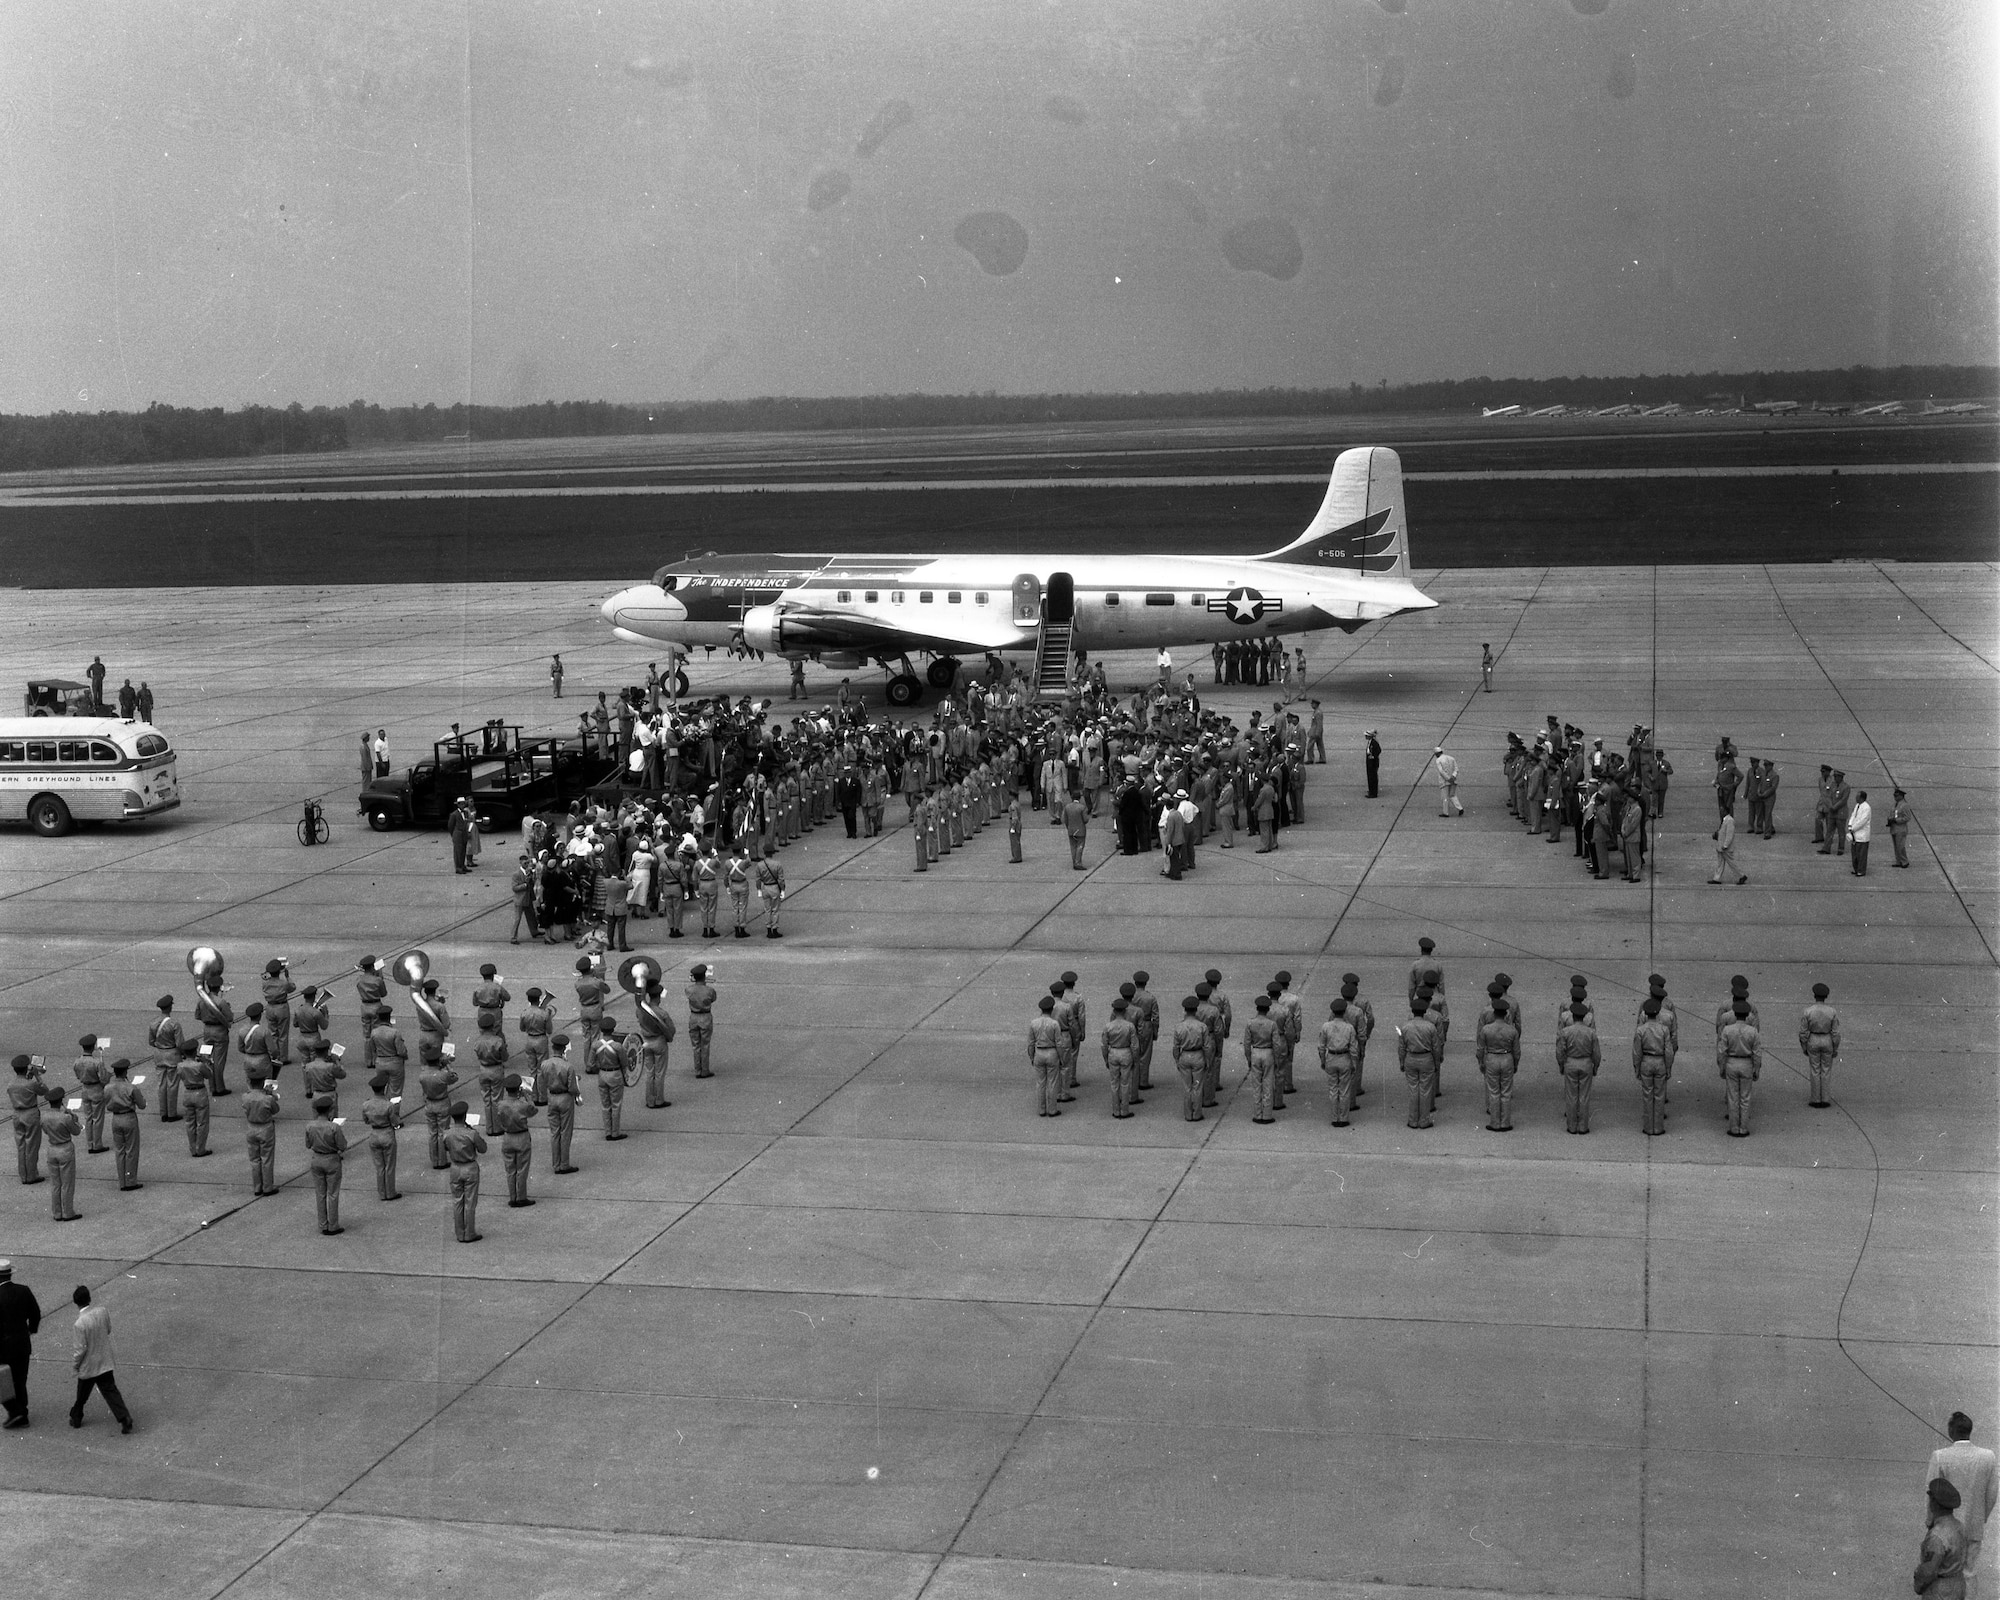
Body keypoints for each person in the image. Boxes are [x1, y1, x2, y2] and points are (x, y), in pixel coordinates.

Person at [1929, 1413, 1998, 1595]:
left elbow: (1931, 1493)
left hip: (1945, 1529)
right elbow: (1992, 1495)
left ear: (1951, 1431)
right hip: (1974, 1526)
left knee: (1942, 1574)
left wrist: (1930, 1522)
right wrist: (1980, 1518)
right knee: (1969, 1572)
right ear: (1969, 1430)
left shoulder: (1939, 1456)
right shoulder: (1988, 1457)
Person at [67, 1286, 132, 1433]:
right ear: (89, 1298)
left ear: (76, 1303)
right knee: (110, 1391)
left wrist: (75, 1365)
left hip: (89, 1366)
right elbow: (108, 1330)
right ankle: (124, 1417)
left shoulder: (79, 1324)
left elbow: (80, 1350)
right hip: (104, 1361)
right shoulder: (102, 1312)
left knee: (82, 1395)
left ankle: (76, 1417)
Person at [0, 1260, 39, 1428]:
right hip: (23, 1343)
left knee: (3, 1380)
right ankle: (22, 1412)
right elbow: (35, 1313)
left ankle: (16, 1411)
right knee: (20, 1379)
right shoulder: (24, 1291)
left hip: (3, 1346)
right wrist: (31, 1330)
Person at [304, 1094, 349, 1236]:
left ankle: (322, 1224)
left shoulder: (309, 1126)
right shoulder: (334, 1127)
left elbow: (308, 1144)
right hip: (331, 1160)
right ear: (330, 1110)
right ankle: (333, 1224)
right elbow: (343, 1146)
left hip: (316, 1158)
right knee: (333, 1193)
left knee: (320, 1192)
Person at [1917, 1478, 1969, 1600]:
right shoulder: (1959, 1526)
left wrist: (1918, 1585)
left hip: (1940, 1591)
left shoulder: (1937, 1535)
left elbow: (1929, 1570)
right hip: (1958, 1584)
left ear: (1934, 1503)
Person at [444, 1102, 488, 1243]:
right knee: (470, 1202)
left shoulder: (447, 1134)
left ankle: (459, 1233)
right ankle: (469, 1233)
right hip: (470, 1168)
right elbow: (483, 1148)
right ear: (465, 1116)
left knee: (457, 1201)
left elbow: (445, 1147)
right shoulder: (471, 1134)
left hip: (455, 1168)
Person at [1718, 1000, 1762, 1137]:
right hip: (1747, 1064)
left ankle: (1734, 1127)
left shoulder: (1727, 1030)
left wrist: (1722, 1067)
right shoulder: (1753, 1031)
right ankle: (1743, 1127)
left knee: (1733, 1097)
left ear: (1735, 1014)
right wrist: (1756, 1069)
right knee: (1745, 1097)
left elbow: (1722, 1051)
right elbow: (1757, 1053)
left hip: (1731, 1062)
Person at [1557, 1001, 1601, 1134]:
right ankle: (1583, 1126)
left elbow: (1560, 1051)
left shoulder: (1565, 1031)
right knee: (1584, 1096)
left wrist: (1561, 1065)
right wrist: (1595, 1067)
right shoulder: (1591, 1032)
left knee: (1571, 1095)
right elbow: (1596, 1053)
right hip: (1586, 1063)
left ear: (1573, 1016)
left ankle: (1571, 1126)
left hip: (1570, 1062)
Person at [1632, 998, 1675, 1136]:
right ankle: (1658, 1127)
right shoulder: (1664, 1030)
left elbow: (1637, 1052)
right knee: (1659, 1095)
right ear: (1657, 1013)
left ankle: (1648, 1127)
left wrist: (1637, 1068)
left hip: (1646, 1061)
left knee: (1647, 1094)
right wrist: (1668, 1068)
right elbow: (1668, 1051)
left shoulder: (1640, 1030)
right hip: (1660, 1061)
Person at [544, 1035, 582, 1173]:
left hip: (552, 1097)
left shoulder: (545, 1064)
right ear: (564, 1049)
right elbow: (572, 1087)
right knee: (565, 1132)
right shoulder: (568, 1066)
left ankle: (556, 1164)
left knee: (555, 1132)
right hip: (565, 1098)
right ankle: (564, 1164)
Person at [1319, 997, 1359, 1125]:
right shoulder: (1349, 1028)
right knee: (1344, 1090)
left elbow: (1321, 1046)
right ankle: (1343, 1118)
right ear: (1344, 1012)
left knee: (1333, 1089)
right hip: (1344, 1058)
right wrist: (1354, 1063)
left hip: (1331, 1057)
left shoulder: (1326, 1026)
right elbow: (1354, 1048)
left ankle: (1334, 1117)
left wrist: (1323, 1060)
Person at [106, 1058, 145, 1190]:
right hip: (128, 1117)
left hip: (115, 1118)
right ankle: (130, 1180)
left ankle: (122, 1181)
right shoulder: (130, 1087)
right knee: (131, 1150)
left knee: (119, 1150)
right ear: (125, 1072)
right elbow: (142, 1105)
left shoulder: (108, 1087)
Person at [1799, 982, 1840, 1107]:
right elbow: (1835, 1032)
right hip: (1827, 1039)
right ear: (1826, 996)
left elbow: (1803, 1032)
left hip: (1813, 1039)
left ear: (1814, 995)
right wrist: (1835, 1047)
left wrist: (1804, 1046)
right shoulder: (1832, 1012)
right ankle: (1825, 1098)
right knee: (1826, 1070)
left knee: (1815, 1069)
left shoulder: (1808, 1011)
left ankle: (1815, 1098)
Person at [242, 1073, 280, 1196]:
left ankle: (257, 1187)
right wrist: (270, 1095)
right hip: (265, 1127)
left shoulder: (245, 1097)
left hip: (251, 1126)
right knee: (267, 1158)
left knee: (254, 1159)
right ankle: (268, 1186)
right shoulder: (267, 1099)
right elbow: (276, 1110)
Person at [9, 1055, 44, 1185]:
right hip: (30, 1113)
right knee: (32, 1145)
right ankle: (32, 1174)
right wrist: (37, 1076)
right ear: (27, 1067)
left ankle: (23, 1174)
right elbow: (44, 1091)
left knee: (21, 1146)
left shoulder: (11, 1084)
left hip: (17, 1114)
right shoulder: (31, 1083)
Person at [686, 963, 717, 1077]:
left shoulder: (689, 990)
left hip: (693, 1017)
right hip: (705, 1016)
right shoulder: (709, 990)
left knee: (695, 1045)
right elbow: (713, 998)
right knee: (705, 1044)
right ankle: (705, 1070)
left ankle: (697, 1069)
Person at [1710, 805, 1747, 884]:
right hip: (1721, 846)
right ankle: (1716, 878)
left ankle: (1741, 875)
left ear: (1726, 811)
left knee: (1731, 863)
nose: (1721, 812)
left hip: (1724, 847)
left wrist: (1725, 845)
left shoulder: (1729, 821)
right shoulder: (1725, 820)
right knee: (1720, 863)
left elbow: (1729, 834)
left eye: (1722, 810)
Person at [756, 843, 786, 938]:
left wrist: (759, 889)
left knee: (767, 909)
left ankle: (768, 929)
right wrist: (783, 889)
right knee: (775, 909)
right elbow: (781, 879)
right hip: (774, 887)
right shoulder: (777, 864)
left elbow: (758, 879)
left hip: (765, 887)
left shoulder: (760, 865)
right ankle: (774, 929)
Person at [1847, 789, 1872, 875]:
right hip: (1854, 834)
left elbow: (1862, 821)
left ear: (1861, 798)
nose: (1855, 798)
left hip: (1862, 835)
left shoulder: (1867, 808)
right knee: (1855, 854)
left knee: (1861, 855)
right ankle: (1856, 869)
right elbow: (1853, 816)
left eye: (1857, 797)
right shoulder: (1857, 805)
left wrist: (1853, 828)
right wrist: (1850, 825)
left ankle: (1861, 870)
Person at [1433, 746, 1463, 816]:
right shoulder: (1451, 758)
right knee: (1452, 795)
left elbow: (1441, 771)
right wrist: (1453, 776)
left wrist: (1448, 778)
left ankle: (1445, 813)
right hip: (1453, 780)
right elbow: (1456, 769)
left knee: (1445, 797)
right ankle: (1460, 808)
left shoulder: (1438, 760)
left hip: (1445, 781)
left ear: (1437, 754)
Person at [1890, 788, 1915, 867]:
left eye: (1896, 796)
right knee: (1896, 846)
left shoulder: (1905, 805)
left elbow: (1907, 817)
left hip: (1901, 828)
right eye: (1894, 795)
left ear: (1901, 796)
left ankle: (1904, 861)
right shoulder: (1895, 804)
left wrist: (1897, 820)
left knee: (1900, 846)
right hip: (1894, 828)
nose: (1895, 797)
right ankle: (1898, 861)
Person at [1363, 729, 1381, 798]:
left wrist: (1373, 756)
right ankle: (1371, 790)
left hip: (1373, 762)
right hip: (1370, 762)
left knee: (1372, 777)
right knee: (1370, 776)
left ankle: (1373, 793)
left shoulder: (1374, 743)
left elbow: (1378, 750)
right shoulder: (1370, 742)